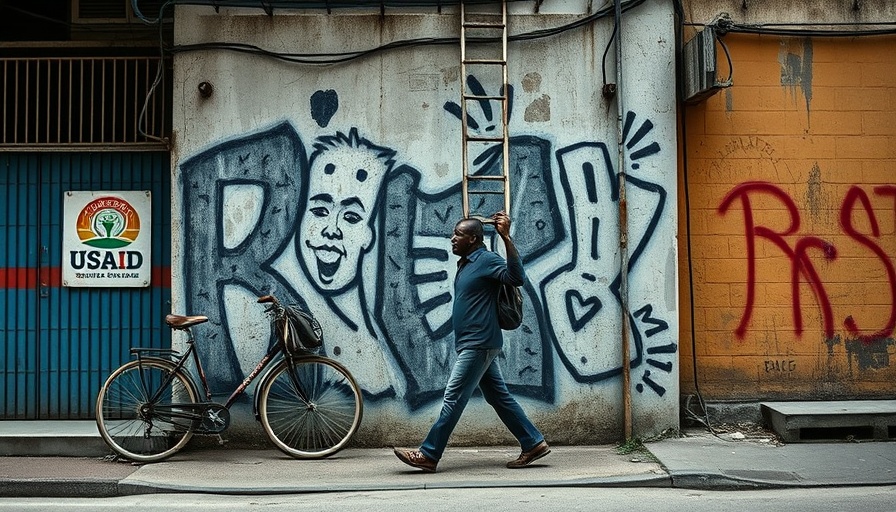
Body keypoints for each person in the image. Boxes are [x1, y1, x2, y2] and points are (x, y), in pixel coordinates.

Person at [393, 211, 549, 472]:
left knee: (453, 395)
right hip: (473, 342)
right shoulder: (466, 262)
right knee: (499, 397)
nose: (452, 238)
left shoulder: (487, 260)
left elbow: (516, 278)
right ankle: (533, 442)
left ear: (474, 238)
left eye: (459, 234)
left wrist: (507, 238)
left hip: (480, 343)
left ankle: (429, 454)